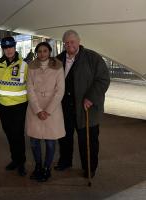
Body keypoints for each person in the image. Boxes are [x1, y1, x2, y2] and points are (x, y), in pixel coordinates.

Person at [54, 30, 110, 178]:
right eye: (66, 42)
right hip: (65, 107)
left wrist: (91, 97)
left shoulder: (92, 58)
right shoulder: (58, 59)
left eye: (72, 42)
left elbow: (103, 79)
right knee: (64, 137)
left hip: (87, 109)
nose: (69, 45)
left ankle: (89, 168)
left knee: (88, 140)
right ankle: (65, 161)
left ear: (79, 42)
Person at [25, 42, 65, 182]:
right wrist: (37, 110)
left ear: (49, 52)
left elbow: (60, 90)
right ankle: (38, 166)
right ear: (36, 52)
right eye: (40, 51)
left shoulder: (58, 66)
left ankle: (47, 168)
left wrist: (47, 111)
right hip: (34, 109)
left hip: (52, 110)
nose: (42, 53)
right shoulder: (31, 66)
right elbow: (29, 89)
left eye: (45, 51)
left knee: (50, 142)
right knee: (34, 141)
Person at [0, 36, 28, 176]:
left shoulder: (24, 65)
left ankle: (21, 163)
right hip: (3, 106)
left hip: (19, 106)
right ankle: (15, 160)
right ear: (3, 49)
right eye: (6, 48)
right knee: (9, 134)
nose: (8, 50)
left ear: (15, 47)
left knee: (18, 135)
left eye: (11, 47)